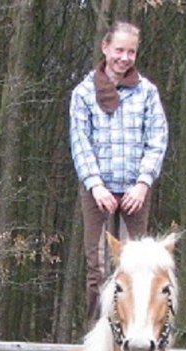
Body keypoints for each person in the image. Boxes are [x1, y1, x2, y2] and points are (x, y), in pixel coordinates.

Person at [69, 21, 168, 324]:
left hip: (134, 193)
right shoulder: (84, 93)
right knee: (97, 267)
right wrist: (96, 186)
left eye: (131, 52)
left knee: (134, 268)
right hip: (97, 190)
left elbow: (157, 139)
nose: (124, 57)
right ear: (106, 48)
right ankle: (97, 332)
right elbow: (80, 141)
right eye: (119, 50)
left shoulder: (147, 92)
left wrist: (142, 183)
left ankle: (133, 331)